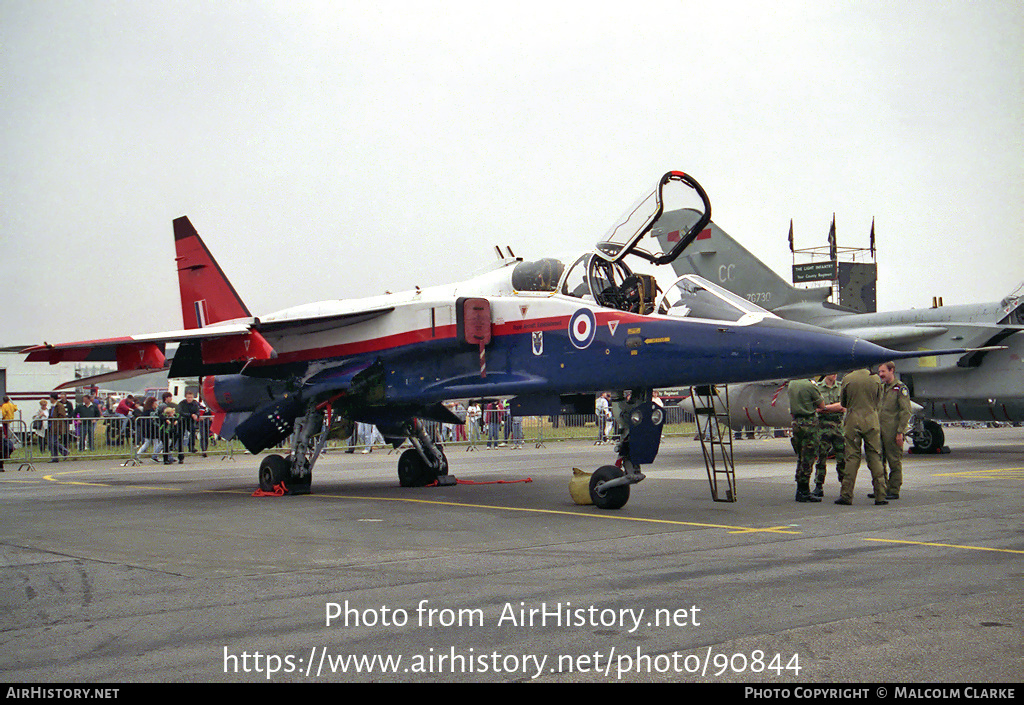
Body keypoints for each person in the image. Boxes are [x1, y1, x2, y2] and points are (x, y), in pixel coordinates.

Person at [836, 367, 888, 505]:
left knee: (852, 457)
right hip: (871, 419)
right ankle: (881, 495)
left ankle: (846, 495)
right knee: (875, 456)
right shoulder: (876, 378)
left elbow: (843, 403)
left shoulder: (848, 378)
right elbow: (879, 401)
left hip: (853, 420)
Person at [875, 361, 911, 499]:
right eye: (879, 372)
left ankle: (894, 490)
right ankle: (881, 489)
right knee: (879, 461)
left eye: (883, 371)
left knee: (894, 461)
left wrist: (900, 432)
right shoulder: (881, 388)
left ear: (892, 371)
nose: (881, 375)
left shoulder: (900, 389)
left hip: (892, 431)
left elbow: (906, 411)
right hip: (879, 430)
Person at [787, 378, 824, 502]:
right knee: (808, 458)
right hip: (809, 423)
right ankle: (804, 491)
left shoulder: (791, 384)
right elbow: (821, 405)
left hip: (796, 423)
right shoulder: (810, 385)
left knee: (801, 457)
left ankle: (800, 489)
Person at [812, 373, 845, 497]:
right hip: (822, 427)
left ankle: (844, 486)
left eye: (836, 373)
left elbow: (842, 406)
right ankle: (818, 486)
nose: (835, 375)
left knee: (842, 458)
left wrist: (824, 408)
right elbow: (816, 407)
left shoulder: (841, 387)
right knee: (821, 458)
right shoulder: (818, 387)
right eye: (832, 373)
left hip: (838, 426)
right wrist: (833, 407)